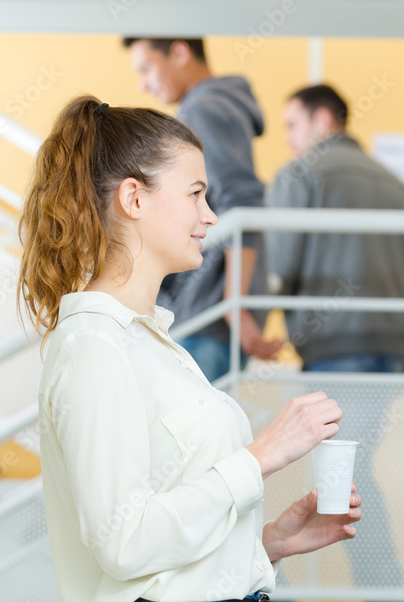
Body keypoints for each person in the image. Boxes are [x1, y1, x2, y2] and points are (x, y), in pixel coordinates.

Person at [18, 96, 360, 602]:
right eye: (196, 194)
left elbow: (161, 543)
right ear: (134, 198)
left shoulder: (152, 344)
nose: (210, 216)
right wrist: (263, 456)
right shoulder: (95, 345)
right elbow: (124, 544)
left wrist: (270, 541)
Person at [265, 84, 404, 602]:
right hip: (388, 351)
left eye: (292, 124)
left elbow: (277, 264)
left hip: (335, 348)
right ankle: (295, 598)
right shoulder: (397, 186)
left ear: (323, 118)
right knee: (345, 469)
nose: (288, 139)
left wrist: (251, 323)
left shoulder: (302, 174)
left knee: (344, 473)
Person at [123, 36, 282, 381]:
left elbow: (243, 200)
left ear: (179, 53)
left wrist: (234, 303)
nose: (144, 83)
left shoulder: (203, 109)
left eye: (147, 68)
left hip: (207, 313)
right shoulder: (218, 105)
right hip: (211, 311)